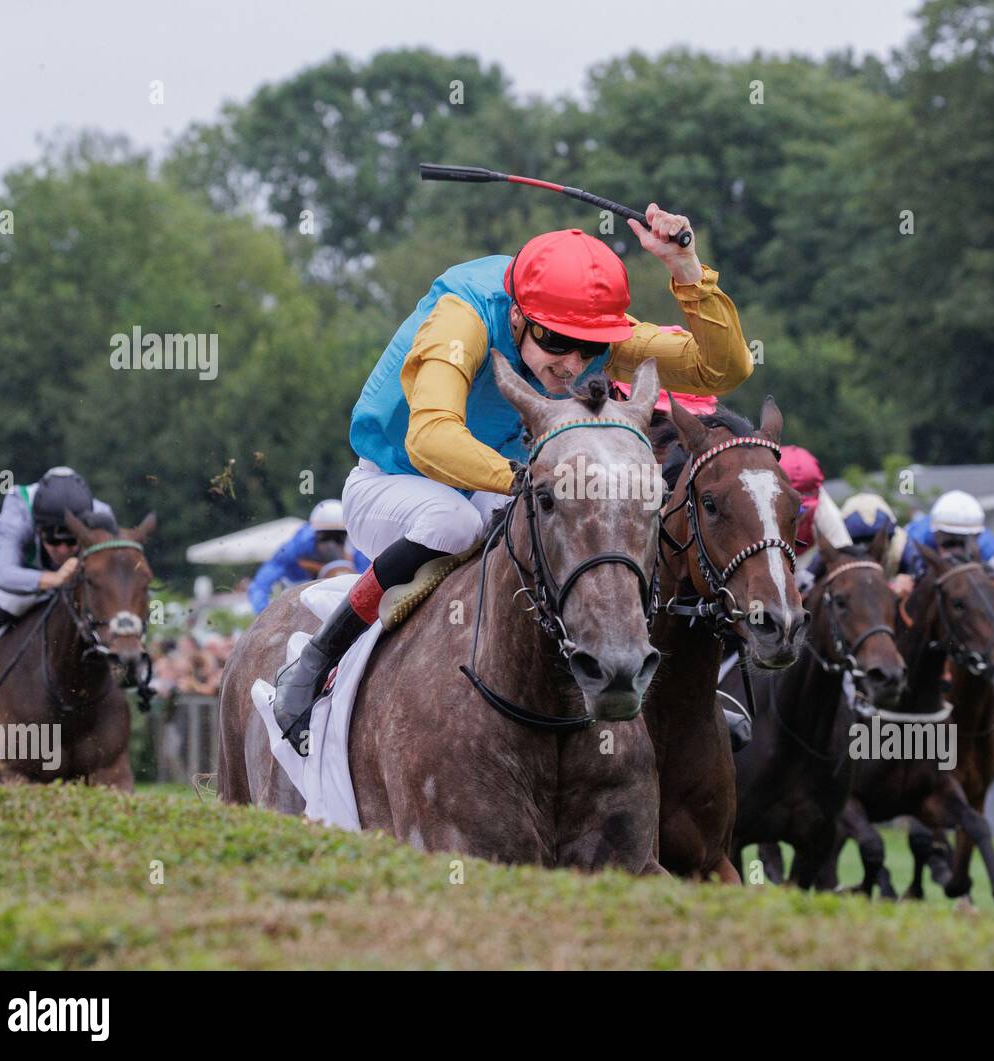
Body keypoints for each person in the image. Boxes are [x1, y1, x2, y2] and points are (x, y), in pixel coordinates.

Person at [273, 212, 755, 752]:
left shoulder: (583, 329)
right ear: (521, 318)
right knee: (454, 521)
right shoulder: (462, 317)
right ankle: (318, 658)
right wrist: (531, 480)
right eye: (555, 343)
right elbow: (429, 437)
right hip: (394, 483)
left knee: (590, 518)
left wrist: (686, 267)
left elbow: (721, 371)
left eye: (588, 348)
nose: (573, 364)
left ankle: (656, 678)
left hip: (504, 487)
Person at [0, 467, 116, 681]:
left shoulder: (101, 515)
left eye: (72, 541)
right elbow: (3, 574)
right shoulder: (18, 511)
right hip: (22, 571)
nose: (62, 550)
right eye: (53, 540)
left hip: (77, 576)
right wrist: (54, 579)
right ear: (38, 530)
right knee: (11, 599)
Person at [248, 500, 370, 614]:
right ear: (314, 534)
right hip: (297, 590)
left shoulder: (357, 548)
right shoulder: (296, 548)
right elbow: (260, 584)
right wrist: (263, 611)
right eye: (326, 538)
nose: (331, 546)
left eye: (338, 538)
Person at [900, 489, 994, 578]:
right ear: (935, 533)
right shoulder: (916, 539)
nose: (955, 551)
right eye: (949, 541)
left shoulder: (987, 546)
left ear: (977, 535)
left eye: (962, 541)